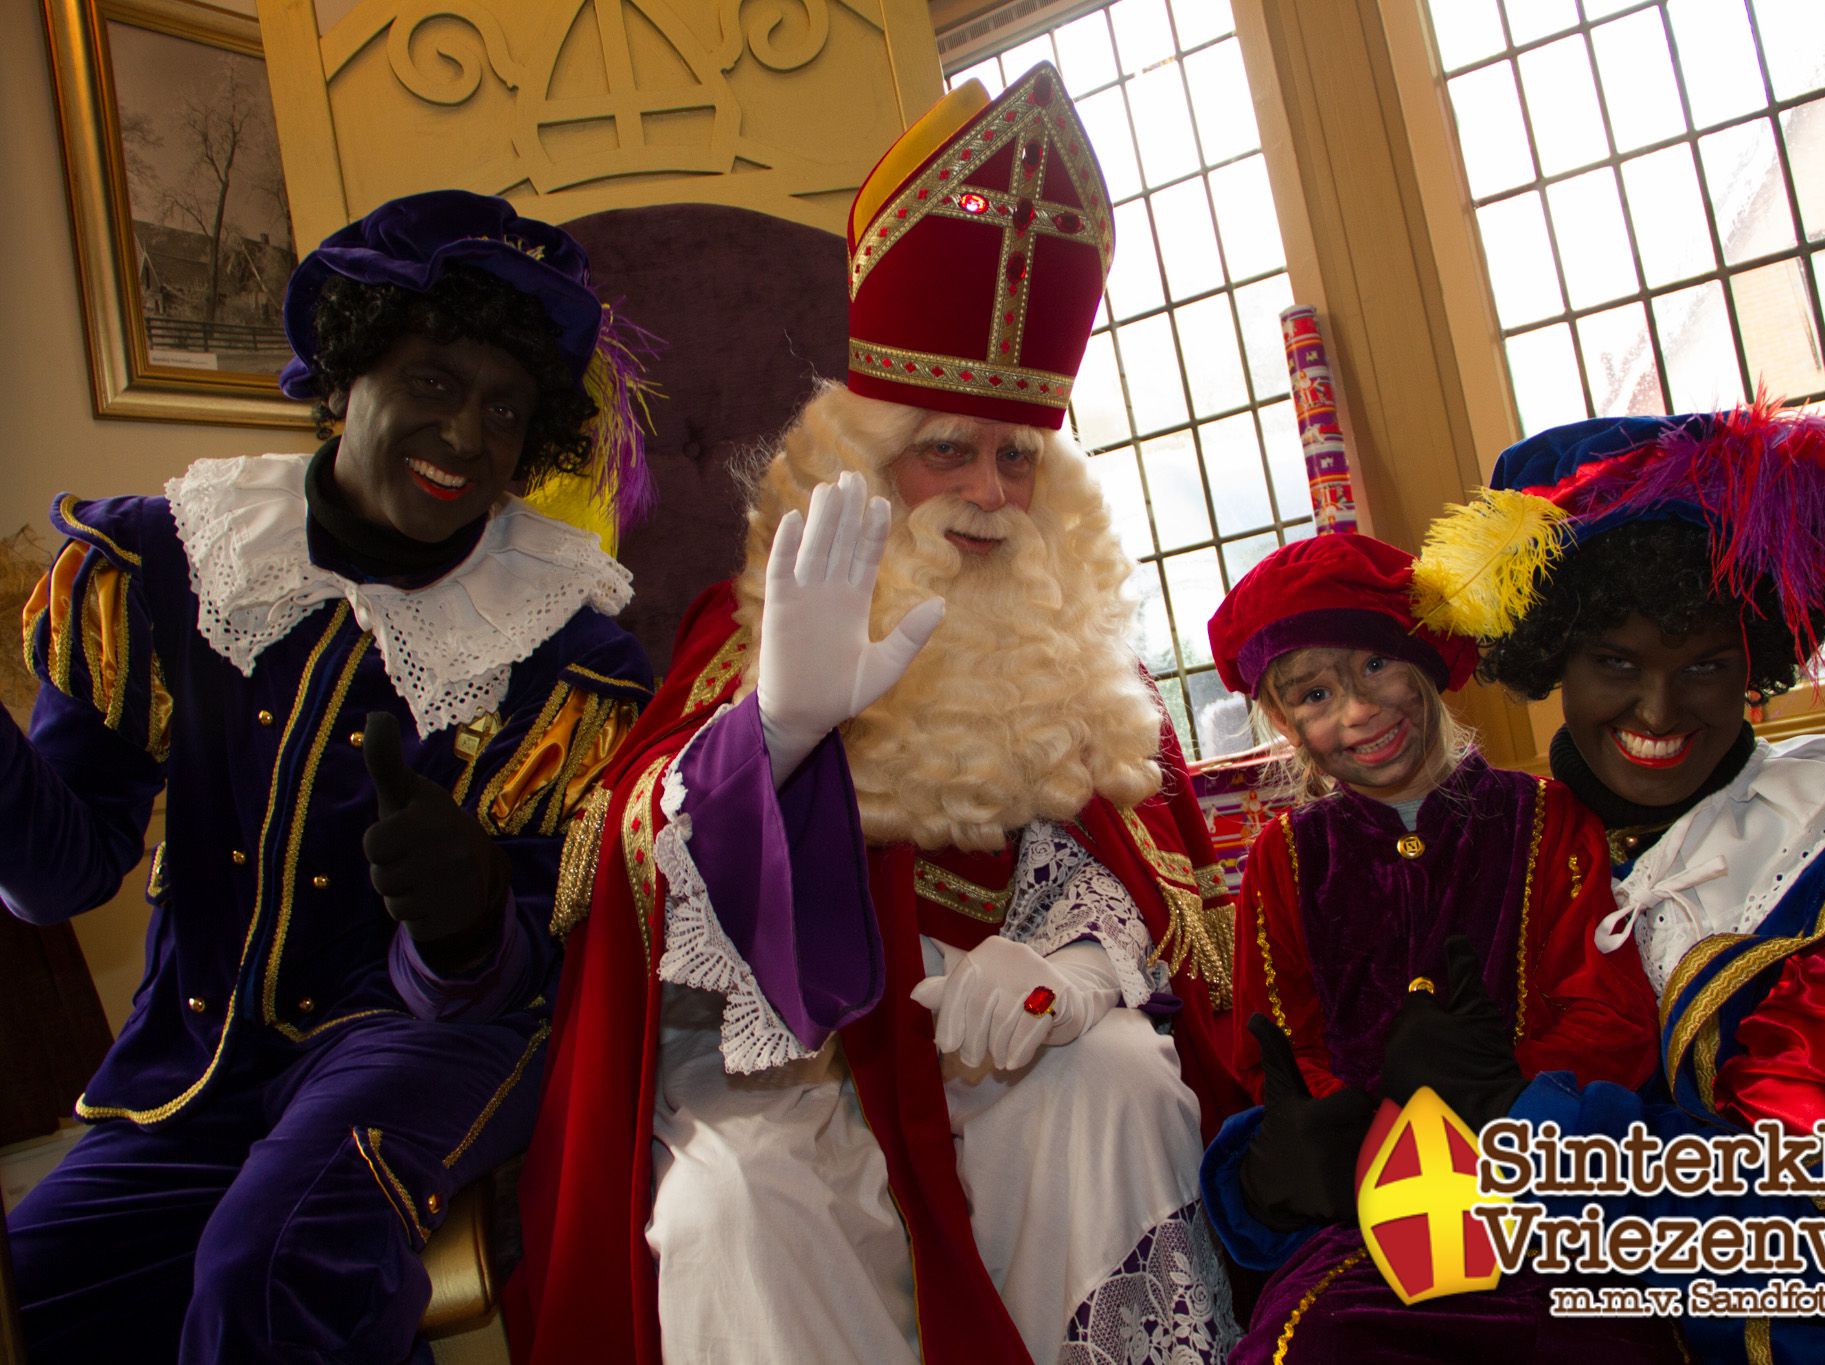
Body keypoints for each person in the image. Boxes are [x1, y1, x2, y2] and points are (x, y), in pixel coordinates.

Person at [509, 63, 1245, 1365]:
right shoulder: (752, 628)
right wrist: (774, 736)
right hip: (797, 1081)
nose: (986, 489)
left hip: (987, 1063)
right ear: (866, 456)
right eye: (944, 450)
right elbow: (620, 870)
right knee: (728, 1207)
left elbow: (1159, 874)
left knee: (1124, 1077)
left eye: (1016, 453)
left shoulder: (1072, 644)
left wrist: (1071, 972)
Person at [1, 189, 656, 1363]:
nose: (467, 435)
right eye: (437, 381)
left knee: (271, 1267)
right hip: (193, 1063)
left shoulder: (567, 647)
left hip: (422, 1043)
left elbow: (524, 971)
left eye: (506, 409)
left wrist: (461, 922)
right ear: (347, 374)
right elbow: (54, 878)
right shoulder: (167, 563)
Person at [1390, 401, 1825, 1360]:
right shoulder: (1508, 841)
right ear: (1553, 658)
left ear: (1755, 662)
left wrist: (1518, 1121)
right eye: (1616, 660)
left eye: (1704, 663)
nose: (1659, 707)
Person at [1194, 531, 1675, 1361]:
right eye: (1313, 694)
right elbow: (1279, 1044)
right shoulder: (1286, 856)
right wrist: (1366, 1126)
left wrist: (1493, 1099)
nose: (1355, 712)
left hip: (1545, 1202)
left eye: (1375, 667)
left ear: (1422, 659)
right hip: (1367, 1221)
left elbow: (1612, 1017)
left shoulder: (1547, 819)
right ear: (1282, 721)